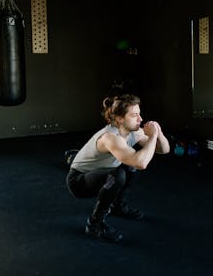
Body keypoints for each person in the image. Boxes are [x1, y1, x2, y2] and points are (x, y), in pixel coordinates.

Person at [66, 94, 170, 243]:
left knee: (130, 165)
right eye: (134, 115)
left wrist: (158, 133)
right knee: (118, 174)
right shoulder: (110, 137)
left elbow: (163, 149)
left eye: (139, 114)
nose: (140, 119)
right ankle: (95, 224)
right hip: (79, 181)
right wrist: (152, 137)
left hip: (102, 173)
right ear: (120, 118)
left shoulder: (134, 131)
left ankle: (118, 206)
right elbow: (142, 163)